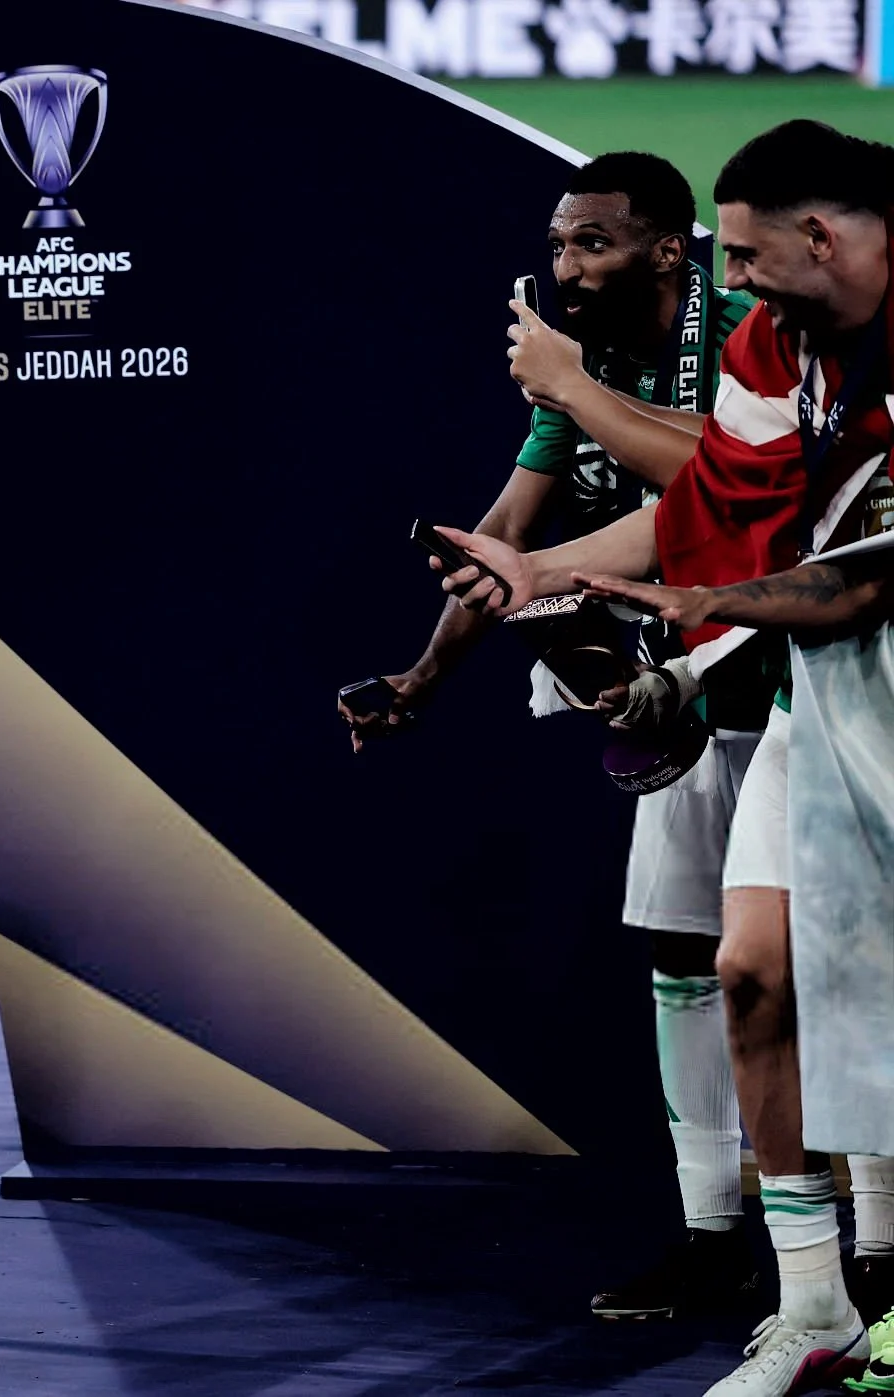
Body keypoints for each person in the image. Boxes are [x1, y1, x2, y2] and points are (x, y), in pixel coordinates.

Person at [432, 119, 894, 1397]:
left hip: (873, 662)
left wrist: (696, 615)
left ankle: (889, 1269)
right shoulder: (764, 344)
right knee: (750, 969)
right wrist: (542, 567)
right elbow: (719, 504)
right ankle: (814, 1306)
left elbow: (853, 584)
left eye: (741, 259)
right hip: (820, 693)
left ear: (820, 234)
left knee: (872, 990)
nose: (727, 285)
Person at [340, 152, 766, 1321]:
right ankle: (708, 1234)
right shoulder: (574, 374)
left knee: (801, 968)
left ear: (668, 248)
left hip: (791, 684)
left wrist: (575, 388)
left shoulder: (747, 335)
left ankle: (853, 1249)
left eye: (593, 242)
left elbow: (733, 489)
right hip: (669, 695)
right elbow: (506, 538)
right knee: (683, 959)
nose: (565, 265)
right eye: (558, 243)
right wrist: (423, 675)